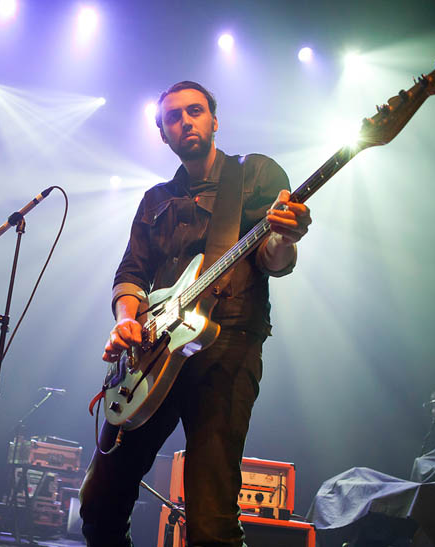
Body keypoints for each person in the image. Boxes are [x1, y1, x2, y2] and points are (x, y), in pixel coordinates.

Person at [78, 81, 311, 546]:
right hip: (154, 352)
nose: (185, 121)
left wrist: (286, 237)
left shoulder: (254, 173)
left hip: (227, 348)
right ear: (163, 134)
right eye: (174, 117)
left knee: (210, 517)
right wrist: (127, 319)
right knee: (100, 500)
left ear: (214, 121)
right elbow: (131, 274)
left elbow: (273, 261)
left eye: (195, 111)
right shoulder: (155, 199)